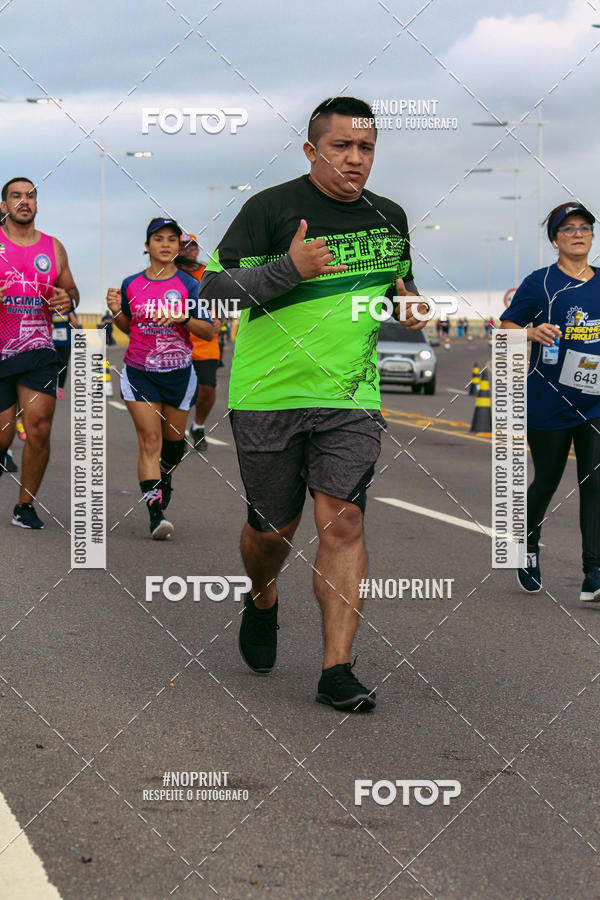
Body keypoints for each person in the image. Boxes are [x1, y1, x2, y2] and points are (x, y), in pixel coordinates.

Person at [200, 96, 428, 711]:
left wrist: (406, 308)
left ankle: (337, 670)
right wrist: (289, 268)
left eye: (366, 148)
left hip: (350, 397)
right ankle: (263, 594)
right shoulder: (270, 208)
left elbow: (396, 289)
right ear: (311, 150)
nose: (356, 159)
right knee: (272, 530)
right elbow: (214, 292)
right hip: (268, 394)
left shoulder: (391, 217)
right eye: (342, 147)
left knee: (344, 520)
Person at [501, 201, 600, 602]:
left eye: (585, 228)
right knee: (546, 481)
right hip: (548, 400)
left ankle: (594, 574)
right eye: (568, 228)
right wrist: (530, 332)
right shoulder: (539, 282)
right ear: (556, 239)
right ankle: (524, 545)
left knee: (595, 483)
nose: (578, 234)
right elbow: (505, 328)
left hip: (595, 402)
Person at [106, 217, 213, 539]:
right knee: (149, 442)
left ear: (179, 246)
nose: (166, 244)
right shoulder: (131, 284)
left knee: (172, 447)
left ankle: (164, 477)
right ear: (147, 245)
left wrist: (184, 317)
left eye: (171, 239)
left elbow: (209, 330)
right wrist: (116, 311)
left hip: (179, 374)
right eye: (158, 239)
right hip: (139, 372)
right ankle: (156, 515)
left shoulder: (190, 285)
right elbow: (130, 327)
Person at [0, 176, 79, 528]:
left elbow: (72, 290)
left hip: (37, 349)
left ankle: (25, 506)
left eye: (30, 196)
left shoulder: (53, 246)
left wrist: (67, 298)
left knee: (40, 428)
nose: (24, 201)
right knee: (2, 436)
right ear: (3, 205)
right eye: (15, 196)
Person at [174, 232, 221, 452]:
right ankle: (176, 431)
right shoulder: (170, 273)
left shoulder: (208, 272)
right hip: (178, 338)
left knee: (207, 387)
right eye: (184, 246)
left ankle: (198, 426)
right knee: (182, 391)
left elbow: (221, 298)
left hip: (205, 339)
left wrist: (220, 317)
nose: (189, 250)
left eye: (193, 246)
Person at [52, 307, 81, 399]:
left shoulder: (69, 310)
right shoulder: (51, 309)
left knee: (64, 365)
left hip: (66, 342)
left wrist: (70, 311)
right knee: (52, 365)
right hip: (52, 343)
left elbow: (75, 324)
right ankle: (52, 388)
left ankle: (60, 389)